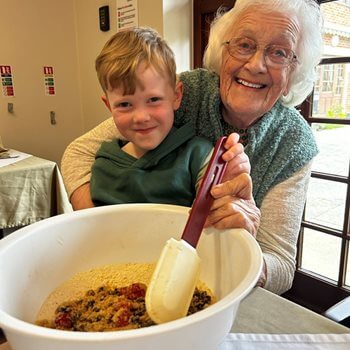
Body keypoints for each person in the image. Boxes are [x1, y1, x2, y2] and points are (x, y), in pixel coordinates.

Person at [61, 0, 323, 295]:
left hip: (221, 287)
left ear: (293, 74)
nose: (256, 65)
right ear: (223, 52)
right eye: (245, 45)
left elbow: (282, 266)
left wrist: (242, 242)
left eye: (279, 52)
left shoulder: (294, 143)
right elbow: (78, 152)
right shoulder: (182, 94)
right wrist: (98, 227)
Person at [91, 27, 235, 207]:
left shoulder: (198, 156)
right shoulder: (103, 165)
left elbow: (218, 207)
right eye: (125, 104)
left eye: (153, 100)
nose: (141, 117)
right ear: (108, 106)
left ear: (176, 96)